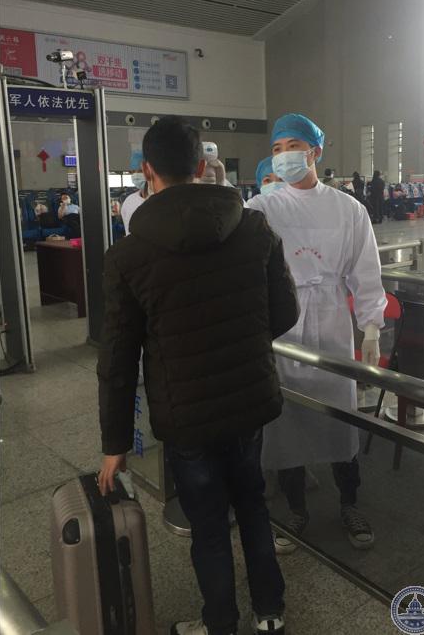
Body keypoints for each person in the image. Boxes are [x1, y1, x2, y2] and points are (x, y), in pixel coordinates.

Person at [97, 116, 299, 635]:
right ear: (203, 166)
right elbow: (284, 312)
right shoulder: (253, 228)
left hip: (186, 416)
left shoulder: (128, 255)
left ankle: (220, 623)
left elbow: (118, 359)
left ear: (147, 171)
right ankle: (271, 612)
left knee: (208, 525)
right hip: (249, 401)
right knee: (252, 504)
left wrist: (115, 443)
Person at [246, 113, 386, 554]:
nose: (284, 155)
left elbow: (366, 271)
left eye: (293, 146)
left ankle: (349, 503)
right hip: (283, 321)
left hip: (331, 319)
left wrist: (371, 327)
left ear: (315, 152)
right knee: (285, 420)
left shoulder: (348, 209)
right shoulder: (263, 208)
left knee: (340, 417)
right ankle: (295, 510)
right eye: (277, 148)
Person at [121, 151, 148, 235]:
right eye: (133, 172)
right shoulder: (129, 201)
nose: (135, 175)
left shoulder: (161, 200)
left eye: (140, 171)